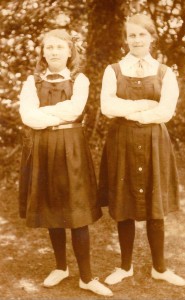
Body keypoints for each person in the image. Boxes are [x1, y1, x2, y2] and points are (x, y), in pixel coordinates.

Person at [19, 29, 113, 297]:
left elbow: (74, 110)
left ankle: (86, 276)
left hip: (72, 149)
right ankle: (61, 267)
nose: (54, 52)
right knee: (52, 209)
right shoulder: (32, 82)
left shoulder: (79, 80)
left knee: (76, 210)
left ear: (70, 51)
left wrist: (43, 113)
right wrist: (50, 115)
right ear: (43, 52)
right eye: (49, 47)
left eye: (60, 47)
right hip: (44, 149)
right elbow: (28, 116)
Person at [98, 14, 185, 287]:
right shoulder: (113, 70)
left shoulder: (165, 72)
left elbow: (166, 111)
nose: (136, 40)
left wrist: (134, 111)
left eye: (142, 35)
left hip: (154, 142)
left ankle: (160, 267)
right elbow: (107, 108)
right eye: (132, 35)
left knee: (154, 204)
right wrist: (146, 105)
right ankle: (125, 266)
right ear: (126, 38)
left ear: (151, 37)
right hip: (121, 142)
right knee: (123, 204)